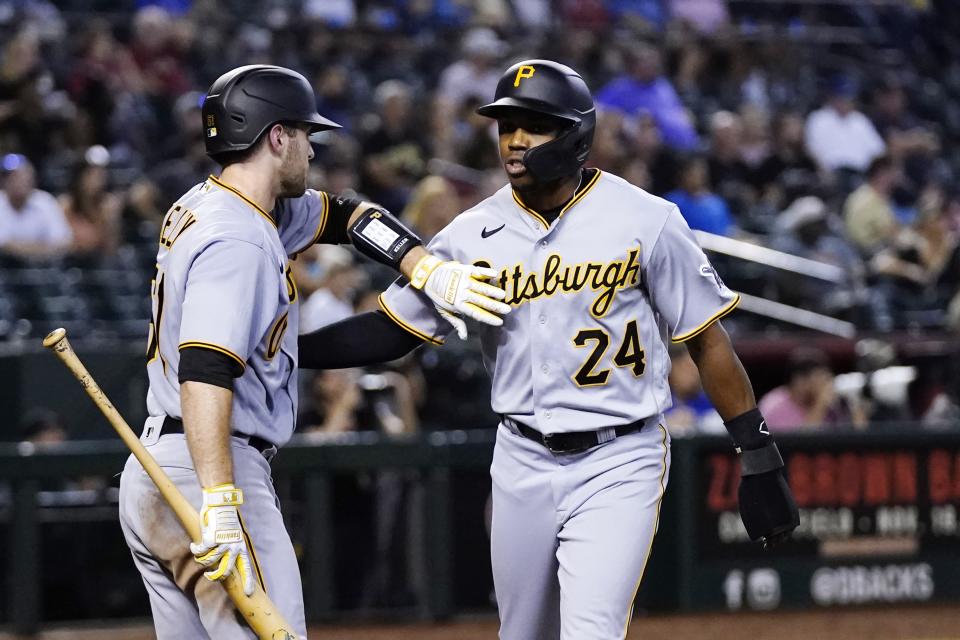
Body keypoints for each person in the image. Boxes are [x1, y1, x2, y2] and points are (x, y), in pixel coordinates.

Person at [298, 59, 799, 640]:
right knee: (523, 633)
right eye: (506, 125)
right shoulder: (469, 233)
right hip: (521, 457)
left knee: (591, 630)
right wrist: (289, 352)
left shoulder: (647, 219)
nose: (514, 140)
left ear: (574, 134)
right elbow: (390, 329)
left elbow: (708, 341)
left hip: (621, 455)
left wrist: (757, 452)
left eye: (532, 125)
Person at [116, 64, 510, 640]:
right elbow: (205, 371)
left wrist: (422, 264)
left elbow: (349, 215)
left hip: (158, 470)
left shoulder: (220, 205)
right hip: (213, 465)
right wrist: (222, 499)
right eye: (305, 134)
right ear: (277, 136)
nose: (311, 149)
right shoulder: (238, 238)